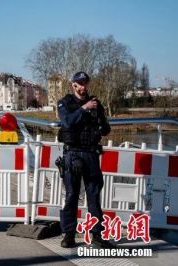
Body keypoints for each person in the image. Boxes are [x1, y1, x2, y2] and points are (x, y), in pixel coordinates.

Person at [57, 71, 114, 249]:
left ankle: (97, 235)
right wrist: (84, 108)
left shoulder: (96, 103)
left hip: (91, 154)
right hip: (72, 154)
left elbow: (106, 129)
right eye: (79, 84)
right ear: (73, 84)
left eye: (85, 83)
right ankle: (69, 235)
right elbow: (66, 121)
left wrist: (99, 120)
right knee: (72, 195)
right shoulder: (64, 102)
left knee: (94, 195)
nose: (83, 87)